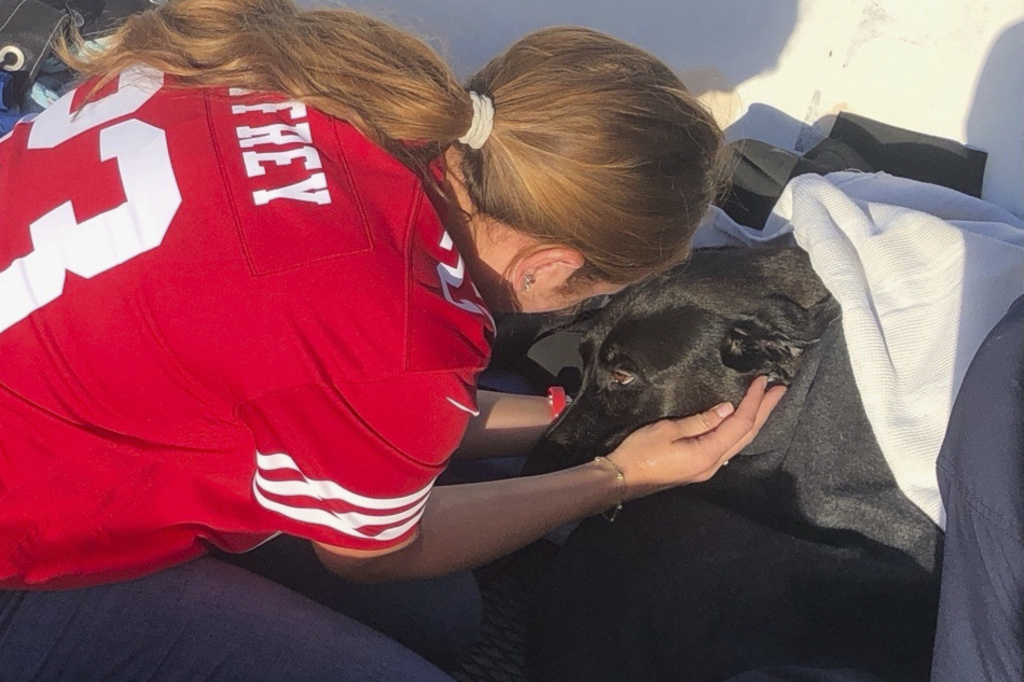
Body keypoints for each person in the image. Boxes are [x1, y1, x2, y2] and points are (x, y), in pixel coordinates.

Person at [0, 0, 785, 679]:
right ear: (551, 266)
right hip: (19, 557)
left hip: (68, 408)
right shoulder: (396, 323)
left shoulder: (310, 84)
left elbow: (334, 382)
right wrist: (617, 476)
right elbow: (375, 556)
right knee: (421, 621)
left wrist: (570, 417)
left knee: (442, 613)